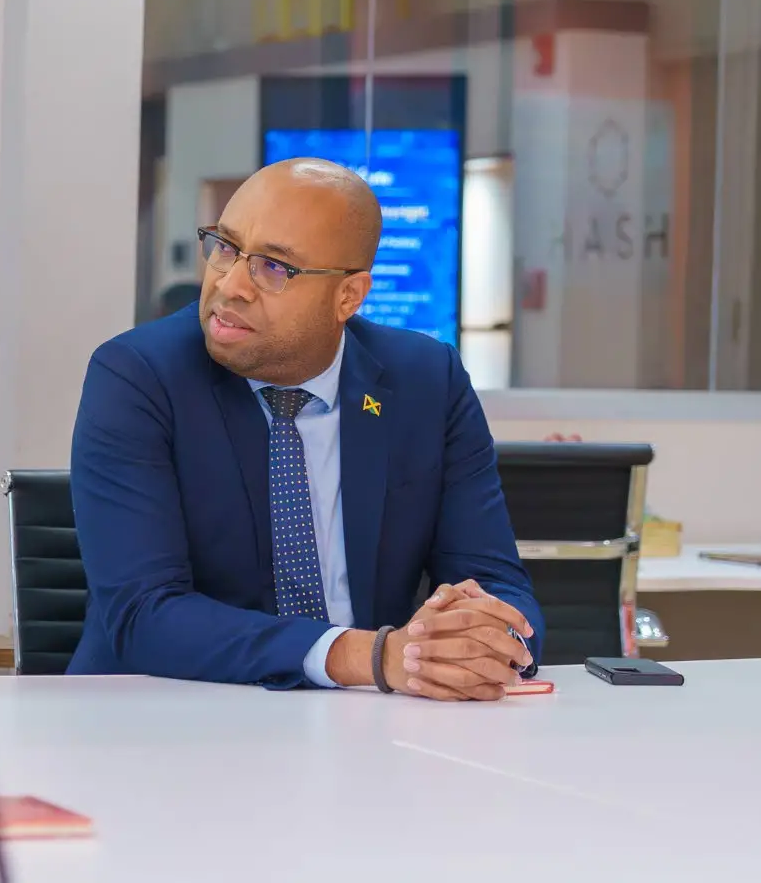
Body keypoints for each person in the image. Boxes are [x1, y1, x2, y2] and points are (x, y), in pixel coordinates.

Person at [67, 157, 544, 699]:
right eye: (225, 247)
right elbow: (143, 614)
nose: (231, 284)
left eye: (274, 267)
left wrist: (485, 639)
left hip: (373, 723)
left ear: (348, 296)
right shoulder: (138, 376)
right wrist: (365, 655)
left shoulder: (426, 382)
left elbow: (493, 579)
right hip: (163, 722)